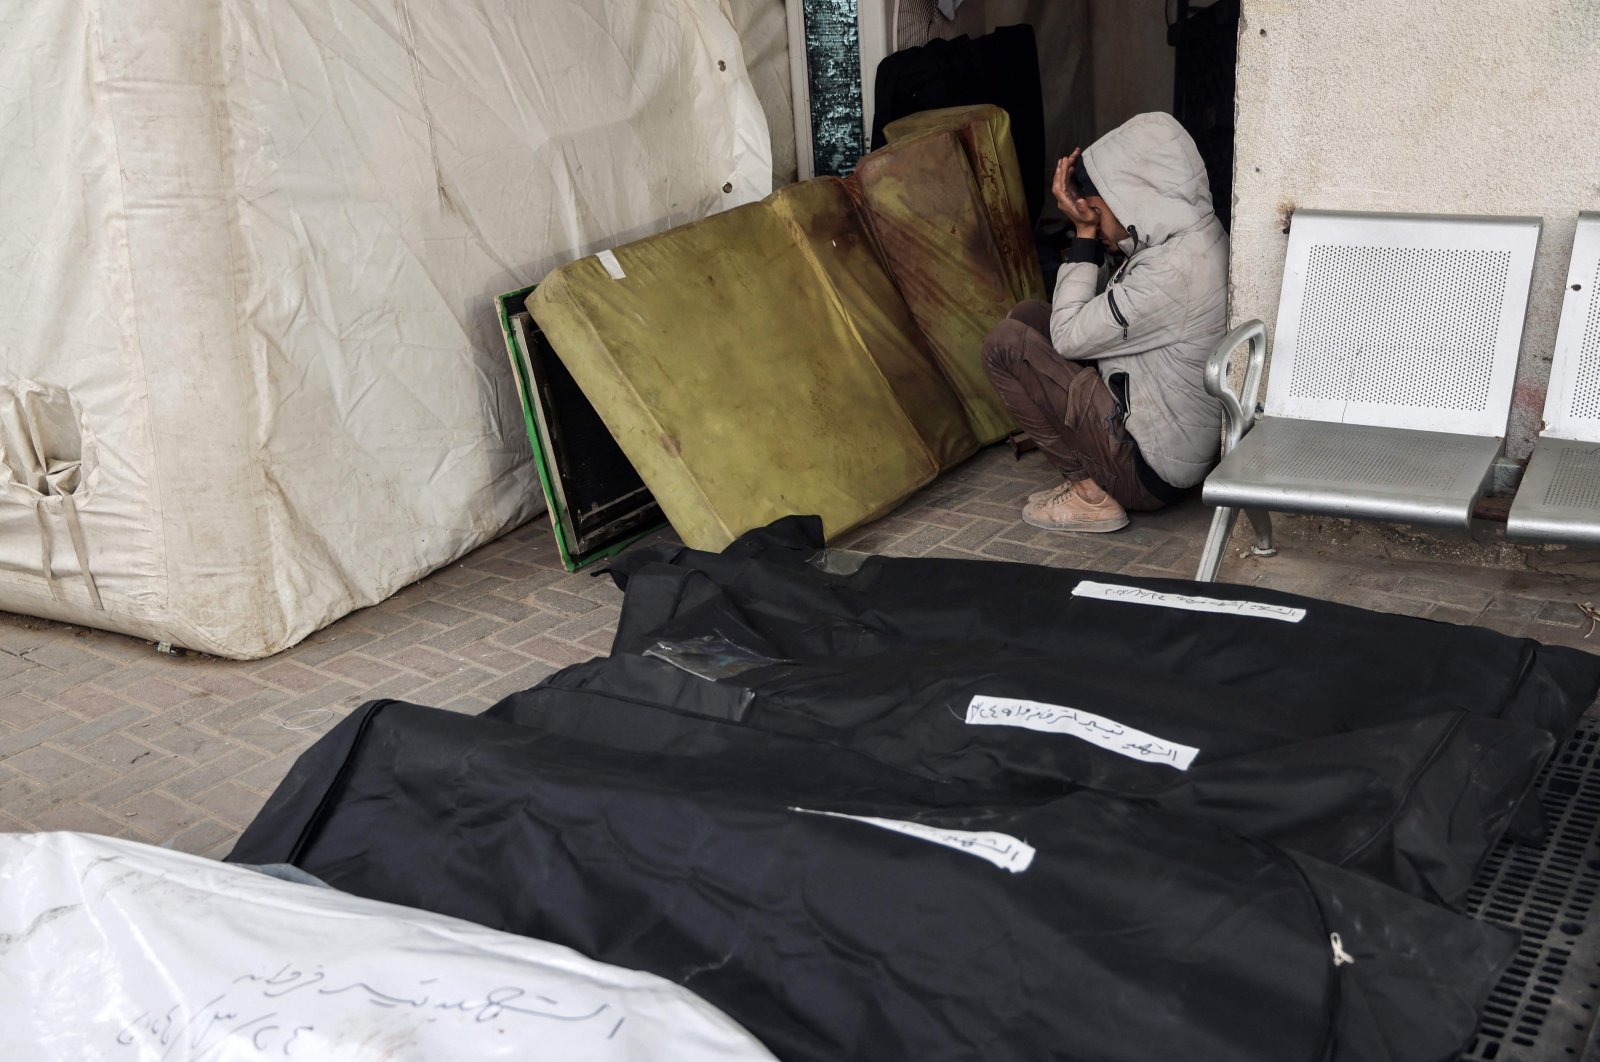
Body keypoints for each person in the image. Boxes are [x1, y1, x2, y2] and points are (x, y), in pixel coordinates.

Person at [980, 112, 1227, 532]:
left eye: (1097, 209)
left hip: (1147, 472)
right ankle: (1091, 482)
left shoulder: (1171, 274)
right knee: (1028, 317)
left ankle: (1089, 493)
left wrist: (1084, 236)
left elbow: (1068, 337)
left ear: (1135, 198)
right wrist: (1098, 226)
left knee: (1005, 344)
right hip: (1166, 437)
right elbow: (1088, 316)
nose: (1095, 219)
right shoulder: (1195, 236)